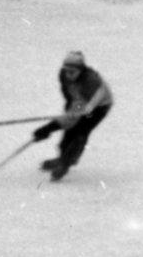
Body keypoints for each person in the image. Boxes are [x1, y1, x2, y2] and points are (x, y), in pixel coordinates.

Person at [34, 50, 113, 180]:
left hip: (99, 106)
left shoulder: (89, 81)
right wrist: (69, 104)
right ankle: (63, 157)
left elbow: (76, 112)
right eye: (66, 70)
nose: (68, 75)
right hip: (80, 102)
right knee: (70, 131)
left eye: (72, 72)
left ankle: (66, 162)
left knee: (81, 131)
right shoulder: (63, 75)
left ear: (81, 70)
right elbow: (69, 95)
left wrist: (50, 127)